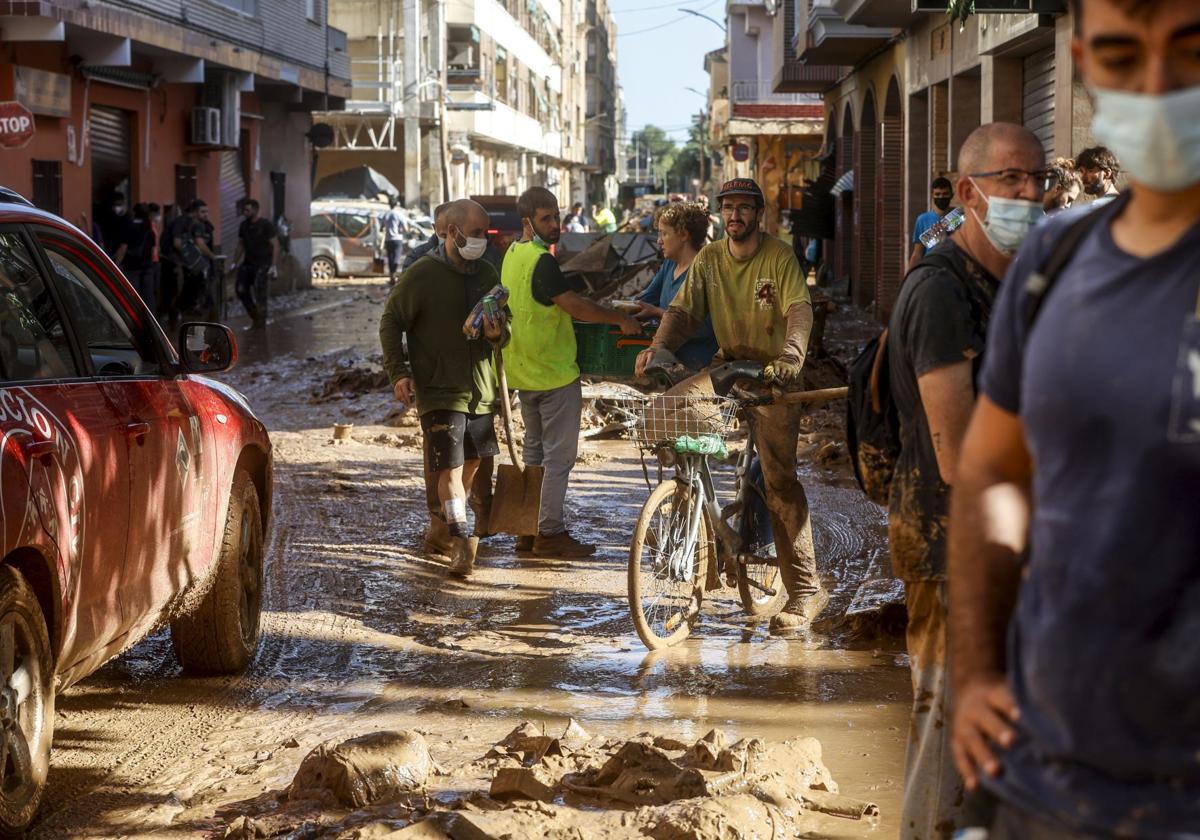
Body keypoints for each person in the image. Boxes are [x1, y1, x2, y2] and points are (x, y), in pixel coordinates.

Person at [949, 1, 1200, 837]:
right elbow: (990, 471)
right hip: (1045, 789)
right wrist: (977, 669)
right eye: (1126, 53)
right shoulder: (1053, 266)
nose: (1159, 85)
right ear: (1088, 63)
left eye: (1191, 47)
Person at [887, 122, 1047, 840]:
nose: (1030, 193)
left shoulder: (1015, 285)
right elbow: (959, 456)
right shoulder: (941, 291)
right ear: (967, 192)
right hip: (953, 552)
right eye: (1011, 178)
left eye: (1038, 179)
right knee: (950, 743)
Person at [634, 177, 823, 631]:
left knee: (778, 481)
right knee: (666, 414)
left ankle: (804, 592)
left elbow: (799, 309)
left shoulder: (778, 256)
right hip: (727, 366)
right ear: (721, 215)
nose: (736, 215)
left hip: (775, 377)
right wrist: (660, 348)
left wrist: (790, 357)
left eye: (744, 207)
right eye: (729, 207)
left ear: (759, 214)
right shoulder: (711, 259)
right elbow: (682, 313)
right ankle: (701, 528)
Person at [502, 187, 642, 557]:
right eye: (546, 218)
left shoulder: (511, 255)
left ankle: (526, 530)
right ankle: (549, 532)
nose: (555, 225)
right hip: (553, 374)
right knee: (559, 458)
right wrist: (620, 318)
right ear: (527, 222)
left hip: (522, 372)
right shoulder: (540, 261)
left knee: (534, 453)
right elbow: (577, 307)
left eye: (557, 217)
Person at [379, 199, 508, 576]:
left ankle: (442, 529)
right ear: (453, 232)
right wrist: (398, 372)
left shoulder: (487, 273)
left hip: (481, 391)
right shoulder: (422, 275)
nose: (485, 239)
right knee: (450, 471)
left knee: (471, 463)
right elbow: (390, 322)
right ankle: (462, 542)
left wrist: (499, 333)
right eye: (479, 233)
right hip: (440, 389)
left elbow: (504, 324)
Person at [634, 202, 717, 372]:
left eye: (664, 234)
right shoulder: (669, 266)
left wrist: (658, 312)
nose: (659, 241)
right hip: (670, 364)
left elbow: (705, 327)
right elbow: (645, 299)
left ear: (684, 234)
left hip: (699, 367)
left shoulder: (705, 271)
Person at [233, 198, 279, 329]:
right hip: (248, 263)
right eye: (244, 210)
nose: (245, 213)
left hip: (263, 264)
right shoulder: (243, 226)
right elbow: (240, 244)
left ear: (255, 210)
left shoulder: (266, 225)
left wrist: (273, 265)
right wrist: (234, 262)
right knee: (241, 290)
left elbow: (275, 245)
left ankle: (261, 322)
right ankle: (255, 316)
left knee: (260, 292)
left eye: (247, 210)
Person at [177, 200, 217, 317]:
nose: (205, 214)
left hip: (196, 266)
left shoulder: (203, 225)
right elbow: (200, 244)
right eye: (202, 212)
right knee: (203, 296)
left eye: (207, 211)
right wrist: (213, 257)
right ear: (195, 213)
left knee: (200, 295)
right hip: (198, 266)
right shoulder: (196, 225)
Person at [907, 177, 955, 271]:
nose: (941, 197)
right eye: (938, 194)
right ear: (932, 195)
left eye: (945, 194)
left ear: (952, 195)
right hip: (931, 270)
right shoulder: (923, 219)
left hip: (954, 270)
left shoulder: (958, 216)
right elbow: (918, 253)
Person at [120, 203, 158, 314]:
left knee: (134, 296)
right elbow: (152, 250)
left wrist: (116, 263)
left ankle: (135, 318)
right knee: (149, 296)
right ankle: (151, 319)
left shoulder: (129, 227)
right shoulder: (149, 228)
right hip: (147, 266)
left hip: (131, 267)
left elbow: (123, 248)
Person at [402, 202, 449, 271]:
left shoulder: (467, 255)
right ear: (434, 227)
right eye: (444, 234)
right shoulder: (417, 255)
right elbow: (406, 279)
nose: (451, 235)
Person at [382, 196, 406, 282]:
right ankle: (394, 276)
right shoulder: (399, 214)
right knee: (396, 258)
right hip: (397, 239)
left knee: (390, 258)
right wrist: (401, 230)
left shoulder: (386, 214)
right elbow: (406, 228)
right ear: (397, 204)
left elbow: (382, 228)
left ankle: (391, 277)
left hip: (388, 239)